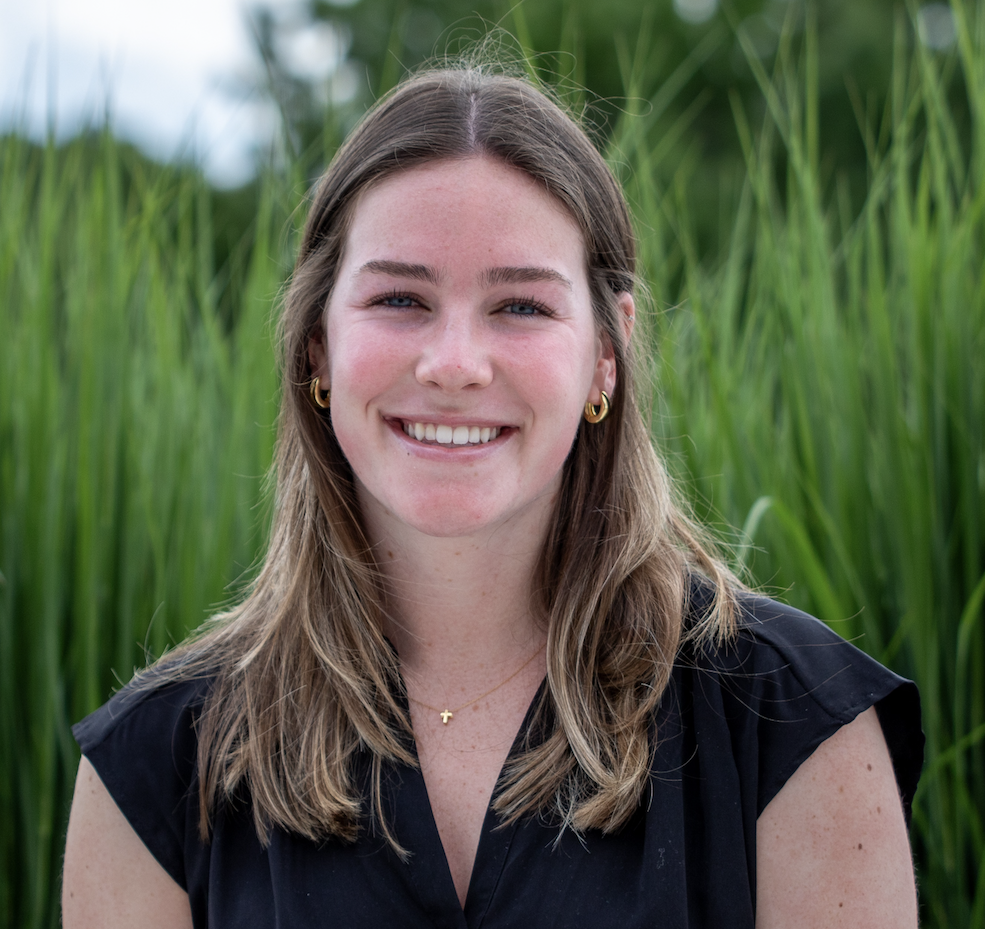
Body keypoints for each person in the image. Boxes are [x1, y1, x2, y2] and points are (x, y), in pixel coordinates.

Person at [62, 66, 923, 928]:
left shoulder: (790, 726)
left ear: (605, 353)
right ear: (317, 344)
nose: (454, 364)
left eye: (519, 305)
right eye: (400, 297)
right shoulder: (156, 764)